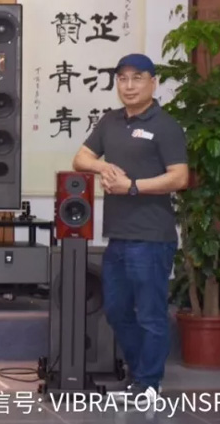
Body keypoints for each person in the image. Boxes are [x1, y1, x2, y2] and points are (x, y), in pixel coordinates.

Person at [72, 53, 188, 404]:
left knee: (151, 315)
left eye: (137, 78)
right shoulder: (111, 121)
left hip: (151, 237)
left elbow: (179, 177)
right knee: (116, 310)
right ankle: (140, 375)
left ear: (153, 82)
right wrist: (103, 167)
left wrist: (132, 186)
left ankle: (149, 383)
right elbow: (80, 158)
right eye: (122, 79)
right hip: (119, 235)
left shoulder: (165, 125)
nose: (129, 85)